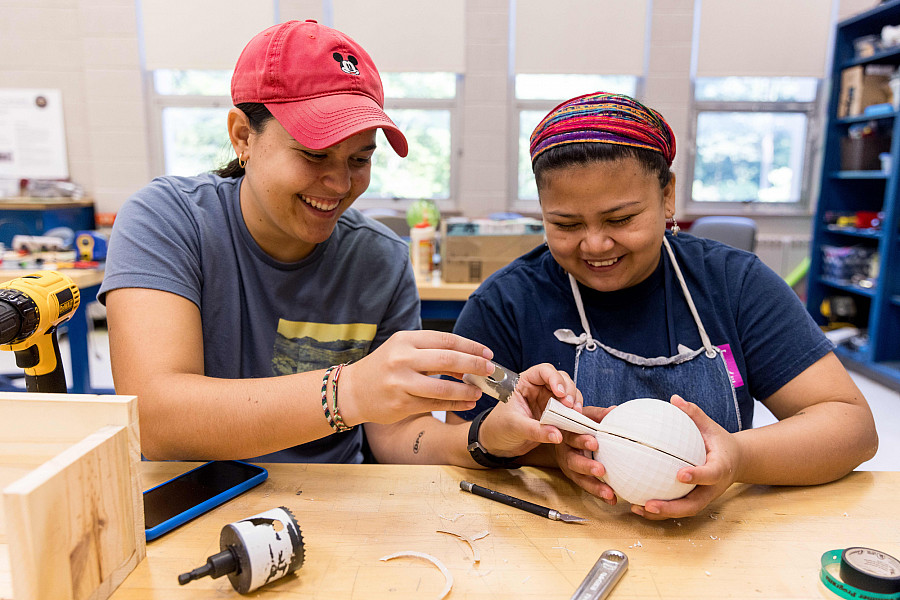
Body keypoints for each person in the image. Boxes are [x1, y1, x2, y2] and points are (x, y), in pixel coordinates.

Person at [99, 19, 578, 466]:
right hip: (198, 499)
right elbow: (156, 418)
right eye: (314, 154)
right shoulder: (168, 221)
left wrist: (484, 438)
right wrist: (347, 391)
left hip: (334, 510)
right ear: (243, 136)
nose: (338, 183)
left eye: (360, 158)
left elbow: (394, 436)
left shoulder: (380, 260)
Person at [448, 91, 879, 519]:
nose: (595, 244)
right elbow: (461, 443)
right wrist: (553, 449)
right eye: (565, 224)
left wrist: (738, 458)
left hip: (716, 541)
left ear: (667, 195)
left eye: (620, 219)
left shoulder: (734, 284)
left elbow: (851, 427)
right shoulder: (504, 303)